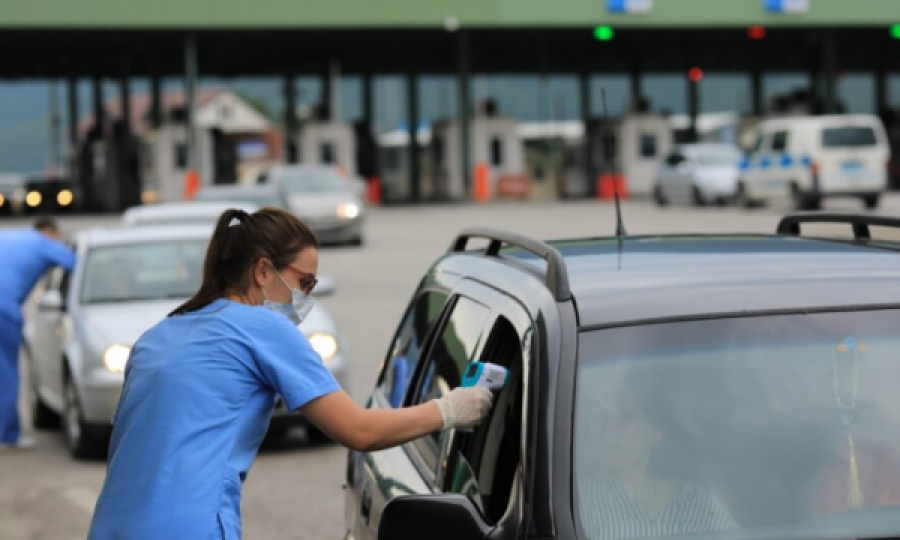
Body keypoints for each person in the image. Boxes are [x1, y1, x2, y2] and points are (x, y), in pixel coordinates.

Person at [87, 207, 494, 540]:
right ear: (262, 271)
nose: (307, 297)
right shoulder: (264, 328)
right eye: (304, 281)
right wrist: (451, 409)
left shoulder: (157, 335)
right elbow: (359, 431)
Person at [577, 369, 736, 540]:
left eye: (627, 416)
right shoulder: (577, 499)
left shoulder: (699, 503)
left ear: (657, 431)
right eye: (599, 416)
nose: (608, 431)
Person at [0, 216, 76, 451]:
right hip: (3, 309)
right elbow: (77, 263)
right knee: (7, 373)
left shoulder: (9, 236)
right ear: (49, 231)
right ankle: (7, 436)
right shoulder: (43, 243)